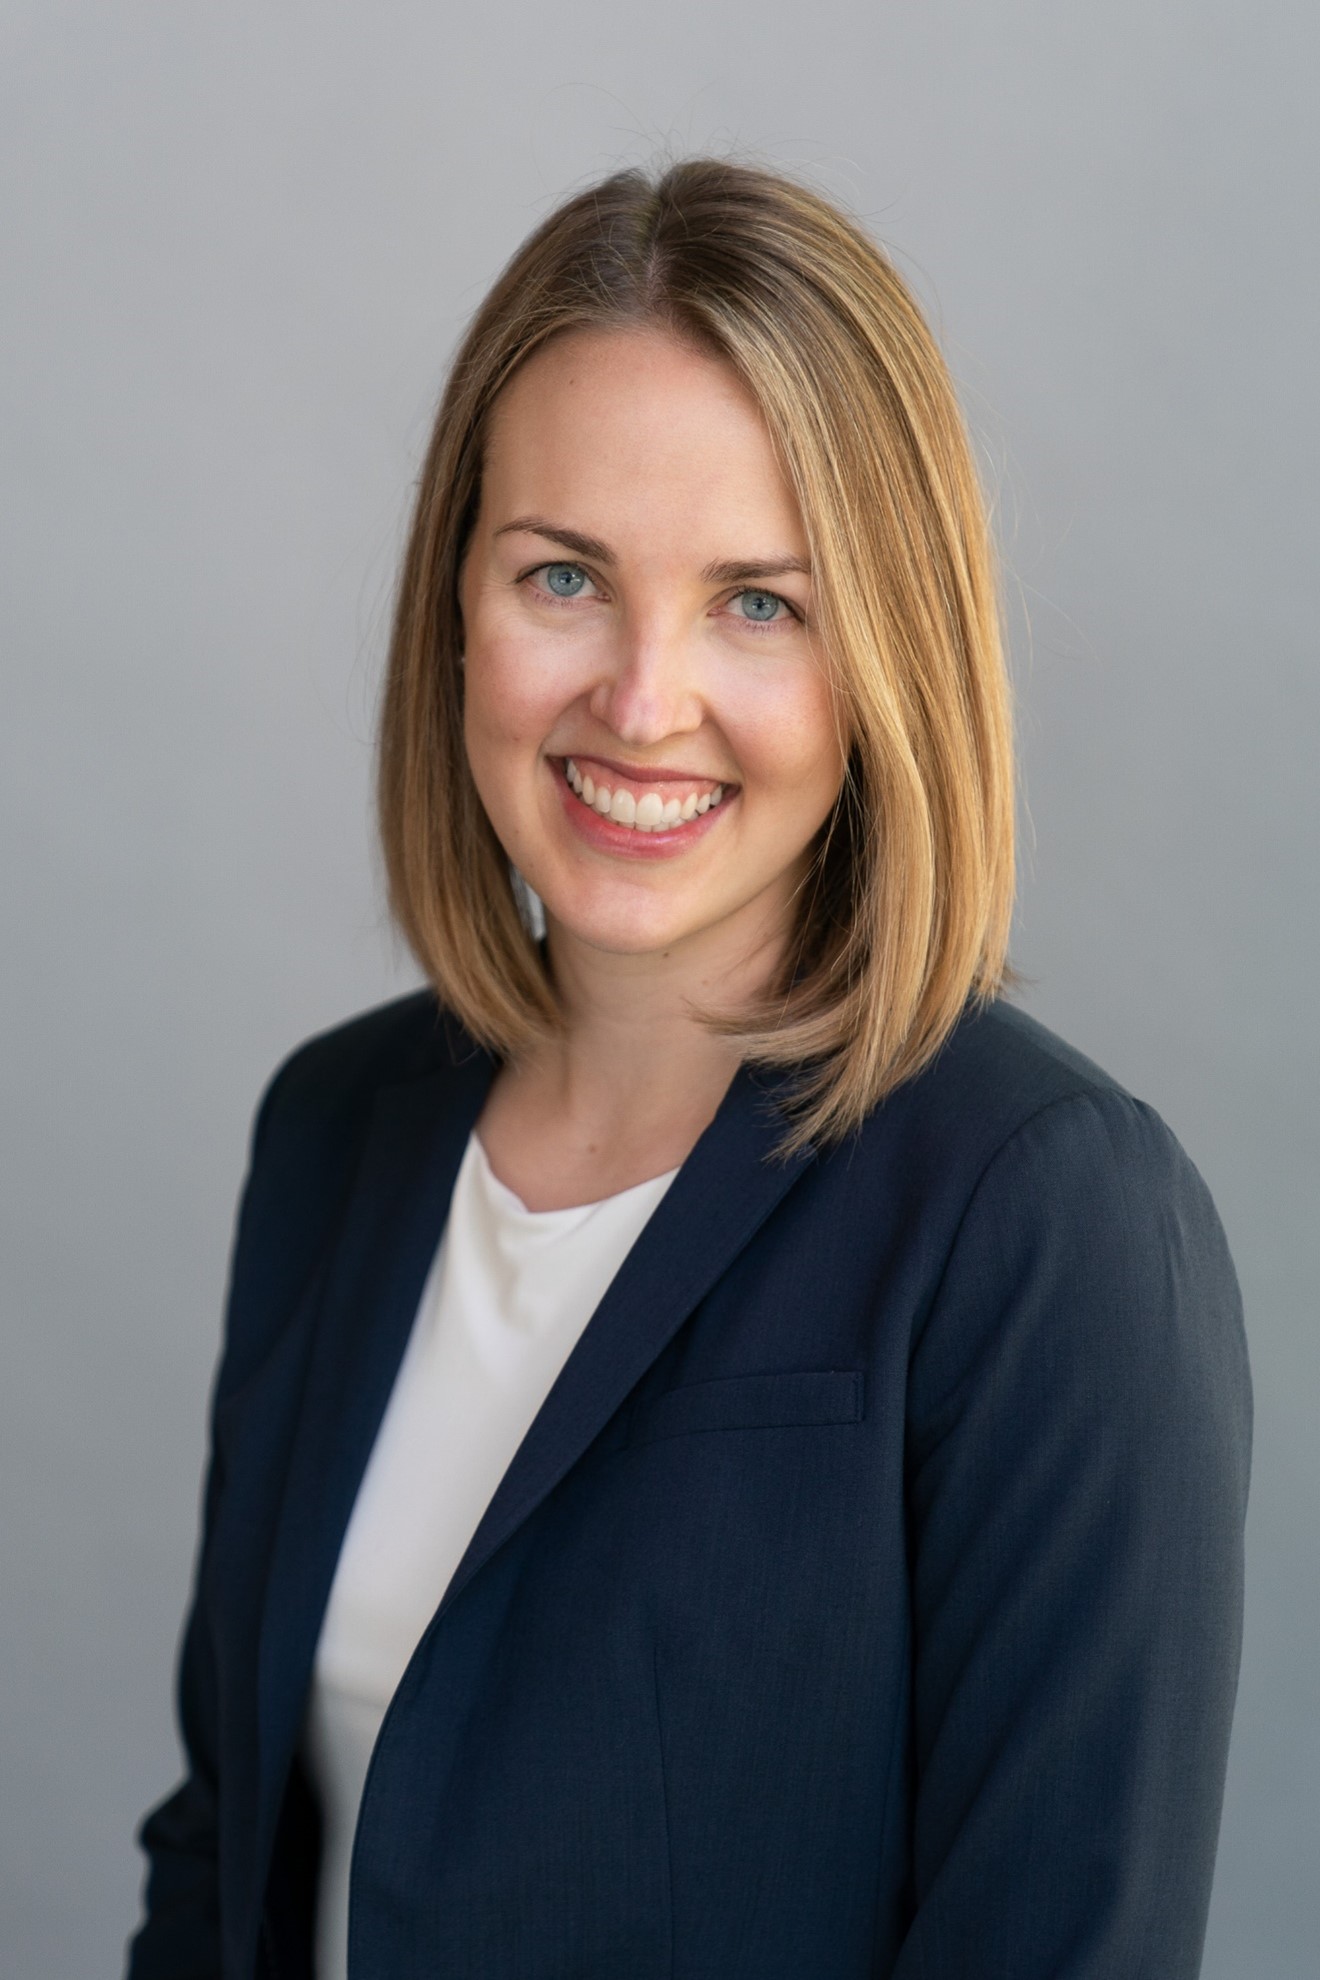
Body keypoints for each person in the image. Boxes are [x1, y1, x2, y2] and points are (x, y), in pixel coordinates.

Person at [126, 159, 1251, 1980]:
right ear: (457, 610)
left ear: (890, 656)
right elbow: (224, 1859)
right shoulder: (336, 1136)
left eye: (759, 603)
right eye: (564, 575)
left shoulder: (1049, 1222)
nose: (643, 701)